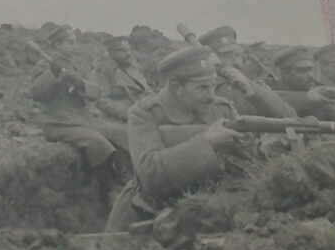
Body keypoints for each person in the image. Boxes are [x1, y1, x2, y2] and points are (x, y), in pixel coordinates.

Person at [105, 46, 246, 232]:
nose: (211, 96)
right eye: (202, 87)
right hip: (148, 213)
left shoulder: (222, 109)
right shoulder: (144, 113)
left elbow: (243, 168)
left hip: (207, 212)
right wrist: (206, 143)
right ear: (176, 87)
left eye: (213, 85)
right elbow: (150, 174)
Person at [28, 24, 129, 204]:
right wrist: (53, 74)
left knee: (122, 135)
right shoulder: (45, 66)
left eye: (74, 41)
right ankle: (108, 192)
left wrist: (81, 84)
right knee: (99, 144)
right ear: (57, 45)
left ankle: (128, 183)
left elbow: (96, 93)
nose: (74, 46)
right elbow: (37, 94)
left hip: (83, 119)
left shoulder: (76, 65)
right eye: (69, 42)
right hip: (58, 122)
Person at [197, 26, 296, 119]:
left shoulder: (254, 84)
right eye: (226, 55)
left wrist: (252, 88)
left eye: (237, 55)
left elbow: (289, 115)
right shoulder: (203, 88)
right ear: (211, 60)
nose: (236, 61)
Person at [273, 46, 335, 121]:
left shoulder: (319, 92)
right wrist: (309, 98)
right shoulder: (270, 91)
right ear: (285, 73)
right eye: (303, 70)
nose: (310, 75)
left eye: (310, 70)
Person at [94, 36, 153, 122]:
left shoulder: (133, 68)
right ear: (111, 52)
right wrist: (129, 113)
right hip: (116, 119)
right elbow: (101, 101)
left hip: (142, 112)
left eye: (129, 50)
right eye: (122, 50)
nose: (128, 53)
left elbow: (147, 91)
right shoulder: (103, 71)